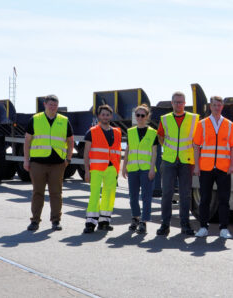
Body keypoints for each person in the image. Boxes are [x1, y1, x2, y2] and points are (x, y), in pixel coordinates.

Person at [23, 94, 75, 232]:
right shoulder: (35, 119)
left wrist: (68, 159)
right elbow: (27, 141)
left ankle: (56, 221)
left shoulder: (64, 120)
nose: (53, 107)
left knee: (56, 193)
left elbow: (70, 141)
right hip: (38, 164)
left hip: (58, 164)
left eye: (55, 105)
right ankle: (35, 221)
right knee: (37, 193)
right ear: (45, 104)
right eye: (50, 104)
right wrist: (26, 160)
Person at [192, 96, 233, 239]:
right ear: (210, 106)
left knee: (224, 199)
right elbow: (196, 146)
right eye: (214, 105)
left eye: (219, 105)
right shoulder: (202, 124)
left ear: (222, 106)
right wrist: (196, 166)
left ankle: (224, 228)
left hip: (223, 168)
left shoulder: (229, 124)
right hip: (206, 167)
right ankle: (203, 227)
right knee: (205, 199)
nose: (217, 107)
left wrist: (232, 165)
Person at [156, 91, 199, 236]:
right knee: (167, 194)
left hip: (186, 161)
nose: (178, 104)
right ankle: (165, 225)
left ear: (185, 103)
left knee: (185, 194)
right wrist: (169, 150)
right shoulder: (165, 119)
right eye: (176, 102)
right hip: (169, 160)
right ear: (171, 103)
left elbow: (198, 140)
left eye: (181, 102)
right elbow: (160, 136)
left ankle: (185, 224)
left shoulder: (194, 119)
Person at [82, 104, 122, 234]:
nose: (105, 117)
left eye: (107, 114)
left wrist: (117, 170)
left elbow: (117, 151)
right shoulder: (92, 131)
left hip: (111, 169)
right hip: (97, 168)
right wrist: (87, 171)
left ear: (111, 116)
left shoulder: (117, 132)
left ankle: (104, 221)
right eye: (103, 114)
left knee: (109, 195)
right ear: (99, 116)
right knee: (94, 195)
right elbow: (86, 152)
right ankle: (90, 222)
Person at [121, 104, 158, 234]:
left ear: (147, 117)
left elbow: (154, 153)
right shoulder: (130, 132)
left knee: (146, 197)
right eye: (138, 115)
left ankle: (144, 221)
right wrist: (124, 167)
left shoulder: (153, 133)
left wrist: (152, 168)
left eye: (143, 115)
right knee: (133, 196)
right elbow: (128, 150)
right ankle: (135, 218)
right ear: (135, 117)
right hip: (133, 169)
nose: (140, 117)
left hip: (146, 169)